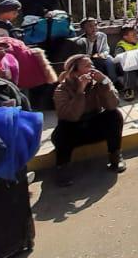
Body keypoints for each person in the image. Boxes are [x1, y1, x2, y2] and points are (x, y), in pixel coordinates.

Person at [51, 54, 126, 186]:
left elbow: (112, 104)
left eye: (92, 65)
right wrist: (80, 91)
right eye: (87, 66)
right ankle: (62, 168)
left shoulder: (98, 83)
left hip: (93, 126)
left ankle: (115, 156)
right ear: (74, 71)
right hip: (74, 131)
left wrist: (104, 83)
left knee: (114, 115)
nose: (92, 68)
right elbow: (70, 115)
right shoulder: (61, 89)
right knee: (63, 128)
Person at [74, 17, 117, 83]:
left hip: (100, 57)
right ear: (84, 29)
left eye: (95, 25)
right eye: (90, 26)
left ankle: (114, 81)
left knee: (109, 58)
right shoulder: (81, 40)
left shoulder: (102, 36)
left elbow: (106, 49)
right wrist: (91, 42)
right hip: (89, 59)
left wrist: (103, 54)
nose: (94, 28)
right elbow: (85, 56)